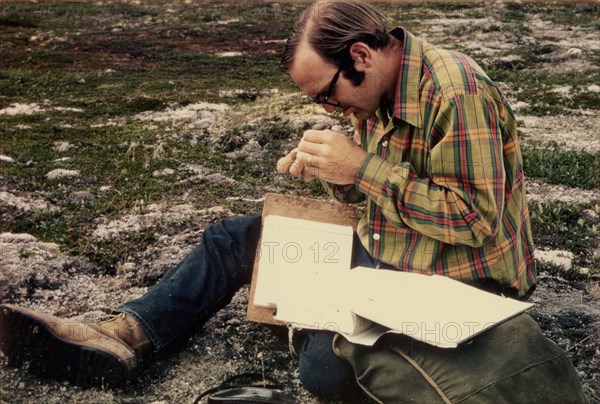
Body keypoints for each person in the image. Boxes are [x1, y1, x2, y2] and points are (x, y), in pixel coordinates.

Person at [0, 0, 586, 402]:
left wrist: (363, 167)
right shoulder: (377, 92)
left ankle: (321, 326)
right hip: (399, 256)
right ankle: (123, 336)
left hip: (464, 283)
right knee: (236, 237)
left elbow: (475, 220)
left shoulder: (455, 93)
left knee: (320, 369)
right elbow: (381, 189)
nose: (332, 111)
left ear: (360, 55)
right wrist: (336, 175)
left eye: (328, 96)